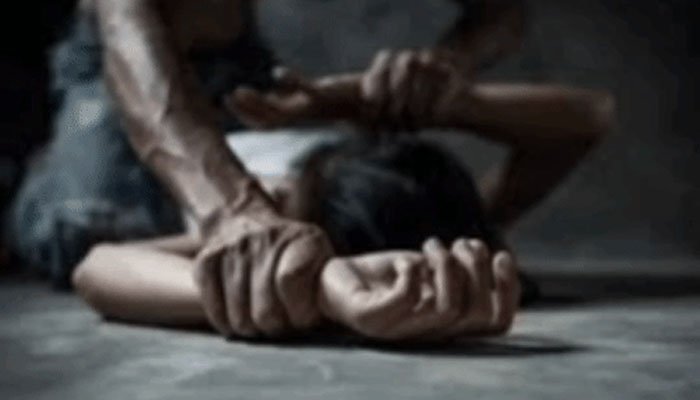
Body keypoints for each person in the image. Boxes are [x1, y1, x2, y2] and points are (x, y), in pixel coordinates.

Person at [72, 57, 615, 342]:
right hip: (224, 110)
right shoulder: (411, 207)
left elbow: (98, 266)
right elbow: (590, 116)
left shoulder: (426, 226)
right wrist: (440, 104)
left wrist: (310, 290)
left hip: (136, 163)